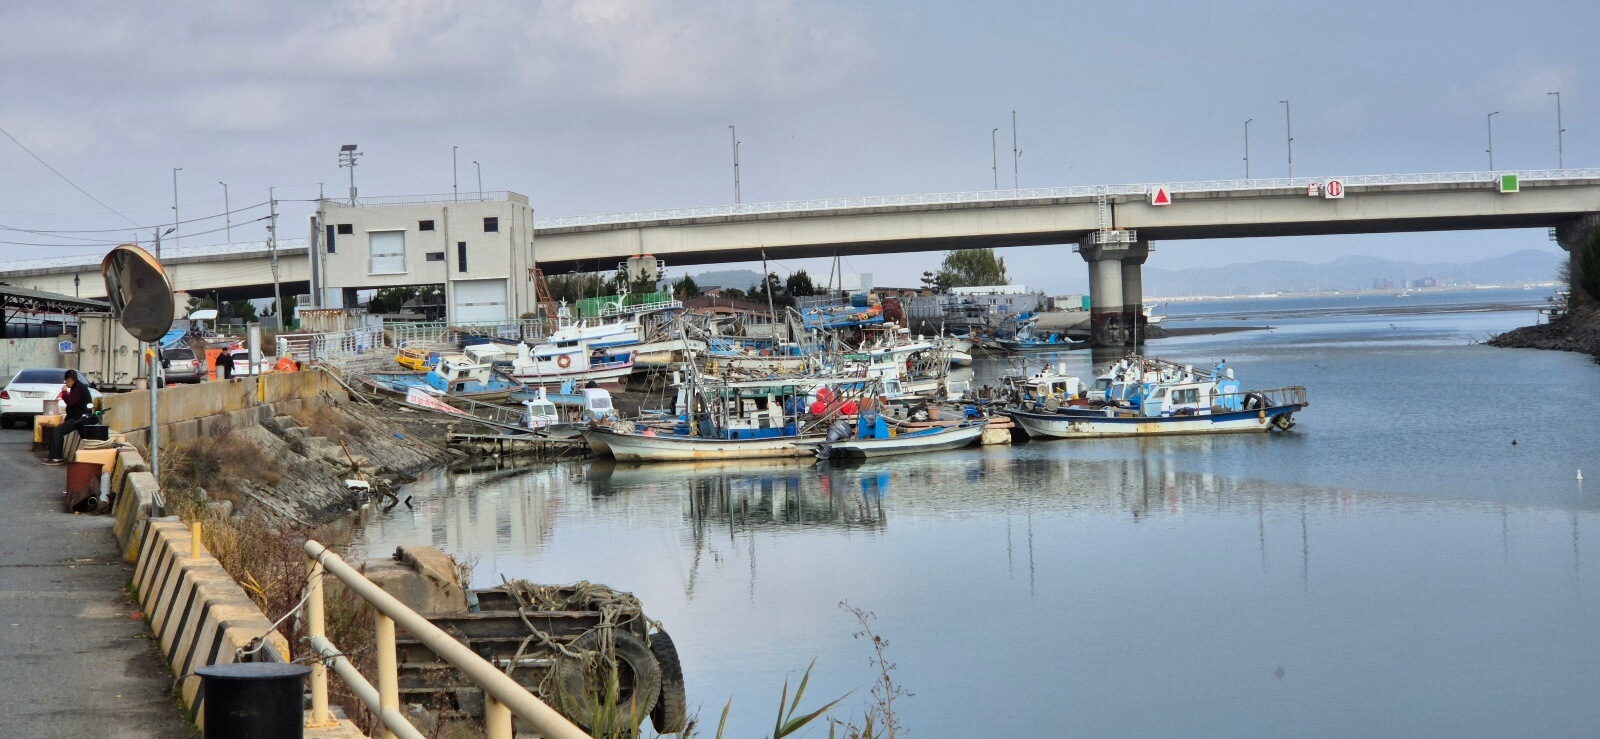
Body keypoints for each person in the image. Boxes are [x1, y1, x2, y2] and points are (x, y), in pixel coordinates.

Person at [45, 370, 92, 465]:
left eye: (66, 381)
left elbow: (71, 402)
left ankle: (56, 458)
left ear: (70, 379)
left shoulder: (79, 388)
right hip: (77, 417)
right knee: (58, 431)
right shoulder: (77, 387)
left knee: (57, 432)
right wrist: (66, 420)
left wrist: (64, 392)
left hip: (79, 419)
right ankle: (53, 456)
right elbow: (73, 407)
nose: (65, 383)